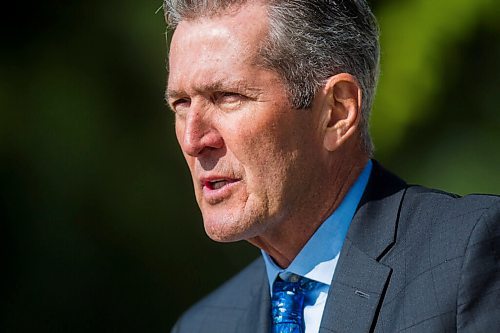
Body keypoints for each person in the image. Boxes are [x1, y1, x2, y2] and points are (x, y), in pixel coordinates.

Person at [164, 0, 500, 332]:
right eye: (180, 103)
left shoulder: (468, 258)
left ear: (336, 112)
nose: (194, 140)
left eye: (227, 96)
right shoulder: (203, 324)